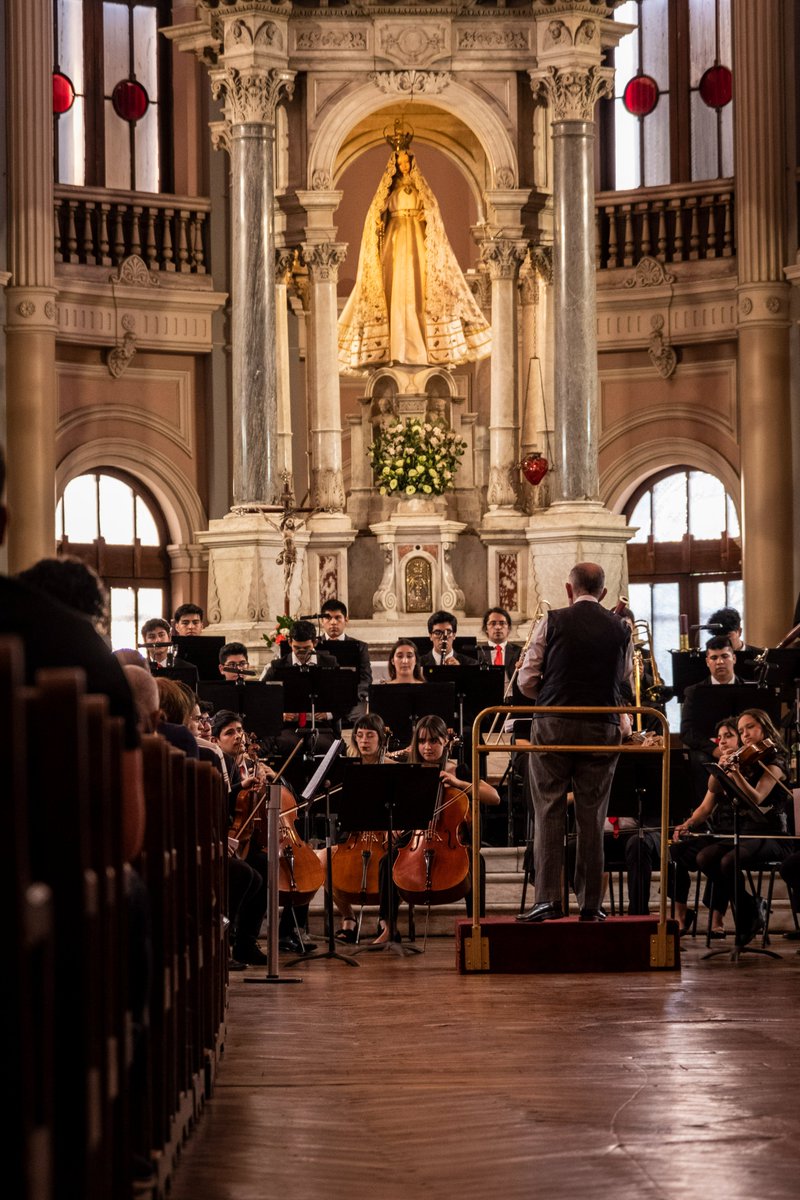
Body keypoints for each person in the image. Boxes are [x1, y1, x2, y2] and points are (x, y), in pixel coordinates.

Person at [516, 562, 632, 923]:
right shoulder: (621, 628)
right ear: (604, 593)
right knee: (592, 815)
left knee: (549, 808)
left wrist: (552, 695)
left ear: (569, 590)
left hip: (554, 725)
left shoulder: (552, 621)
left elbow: (526, 679)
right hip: (602, 726)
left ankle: (548, 900)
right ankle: (591, 904)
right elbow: (622, 679)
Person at [337, 129, 491, 372]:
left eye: (406, 161)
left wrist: (425, 215)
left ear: (411, 162)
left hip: (418, 243)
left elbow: (433, 214)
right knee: (396, 289)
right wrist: (379, 219)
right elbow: (376, 214)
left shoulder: (422, 192)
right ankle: (396, 347)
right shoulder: (389, 193)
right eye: (400, 162)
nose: (404, 165)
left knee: (417, 289)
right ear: (395, 167)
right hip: (395, 240)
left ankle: (419, 346)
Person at [374, 714, 500, 943]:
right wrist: (392, 825)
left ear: (446, 742)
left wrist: (460, 784)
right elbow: (393, 806)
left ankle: (476, 926)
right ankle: (388, 926)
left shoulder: (458, 770)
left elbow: (494, 797)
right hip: (415, 838)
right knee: (386, 861)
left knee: (476, 861)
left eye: (434, 741)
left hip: (449, 840)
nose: (427, 747)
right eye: (422, 741)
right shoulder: (410, 772)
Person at [683, 708, 791, 945]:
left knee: (728, 861)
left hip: (772, 835)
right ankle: (751, 907)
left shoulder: (776, 762)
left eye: (750, 727)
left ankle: (747, 914)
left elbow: (757, 797)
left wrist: (735, 773)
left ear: (763, 727)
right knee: (704, 858)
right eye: (741, 731)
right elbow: (713, 788)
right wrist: (722, 767)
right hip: (745, 834)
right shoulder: (746, 760)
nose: (745, 734)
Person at [663, 716, 744, 936]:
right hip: (718, 831)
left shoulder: (750, 765)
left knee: (715, 857)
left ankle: (717, 918)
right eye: (720, 738)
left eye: (729, 736)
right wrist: (686, 824)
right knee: (675, 850)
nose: (723, 742)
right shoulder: (720, 767)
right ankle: (681, 916)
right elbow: (705, 808)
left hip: (740, 834)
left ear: (742, 739)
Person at [317, 712, 392, 943]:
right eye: (359, 735)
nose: (364, 740)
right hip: (352, 834)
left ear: (380, 738)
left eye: (370, 735)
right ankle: (348, 917)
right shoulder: (346, 769)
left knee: (396, 860)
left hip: (385, 836)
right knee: (321, 860)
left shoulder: (392, 768)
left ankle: (385, 920)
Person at [680, 635, 742, 804]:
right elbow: (687, 733)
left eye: (724, 656)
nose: (719, 662)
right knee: (699, 760)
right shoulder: (693, 692)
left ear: (734, 658)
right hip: (709, 750)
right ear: (707, 661)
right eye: (714, 657)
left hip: (742, 748)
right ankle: (708, 819)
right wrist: (715, 750)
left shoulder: (749, 689)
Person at [317, 598, 372, 721]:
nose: (333, 622)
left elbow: (366, 678)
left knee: (359, 719)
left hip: (353, 699)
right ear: (321, 621)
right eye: (328, 618)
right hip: (323, 699)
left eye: (338, 617)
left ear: (346, 620)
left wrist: (349, 698)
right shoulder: (314, 645)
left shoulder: (360, 647)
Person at [475, 607, 522, 676]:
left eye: (502, 623)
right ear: (486, 628)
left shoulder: (519, 652)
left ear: (508, 628)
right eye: (493, 623)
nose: (498, 627)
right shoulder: (477, 653)